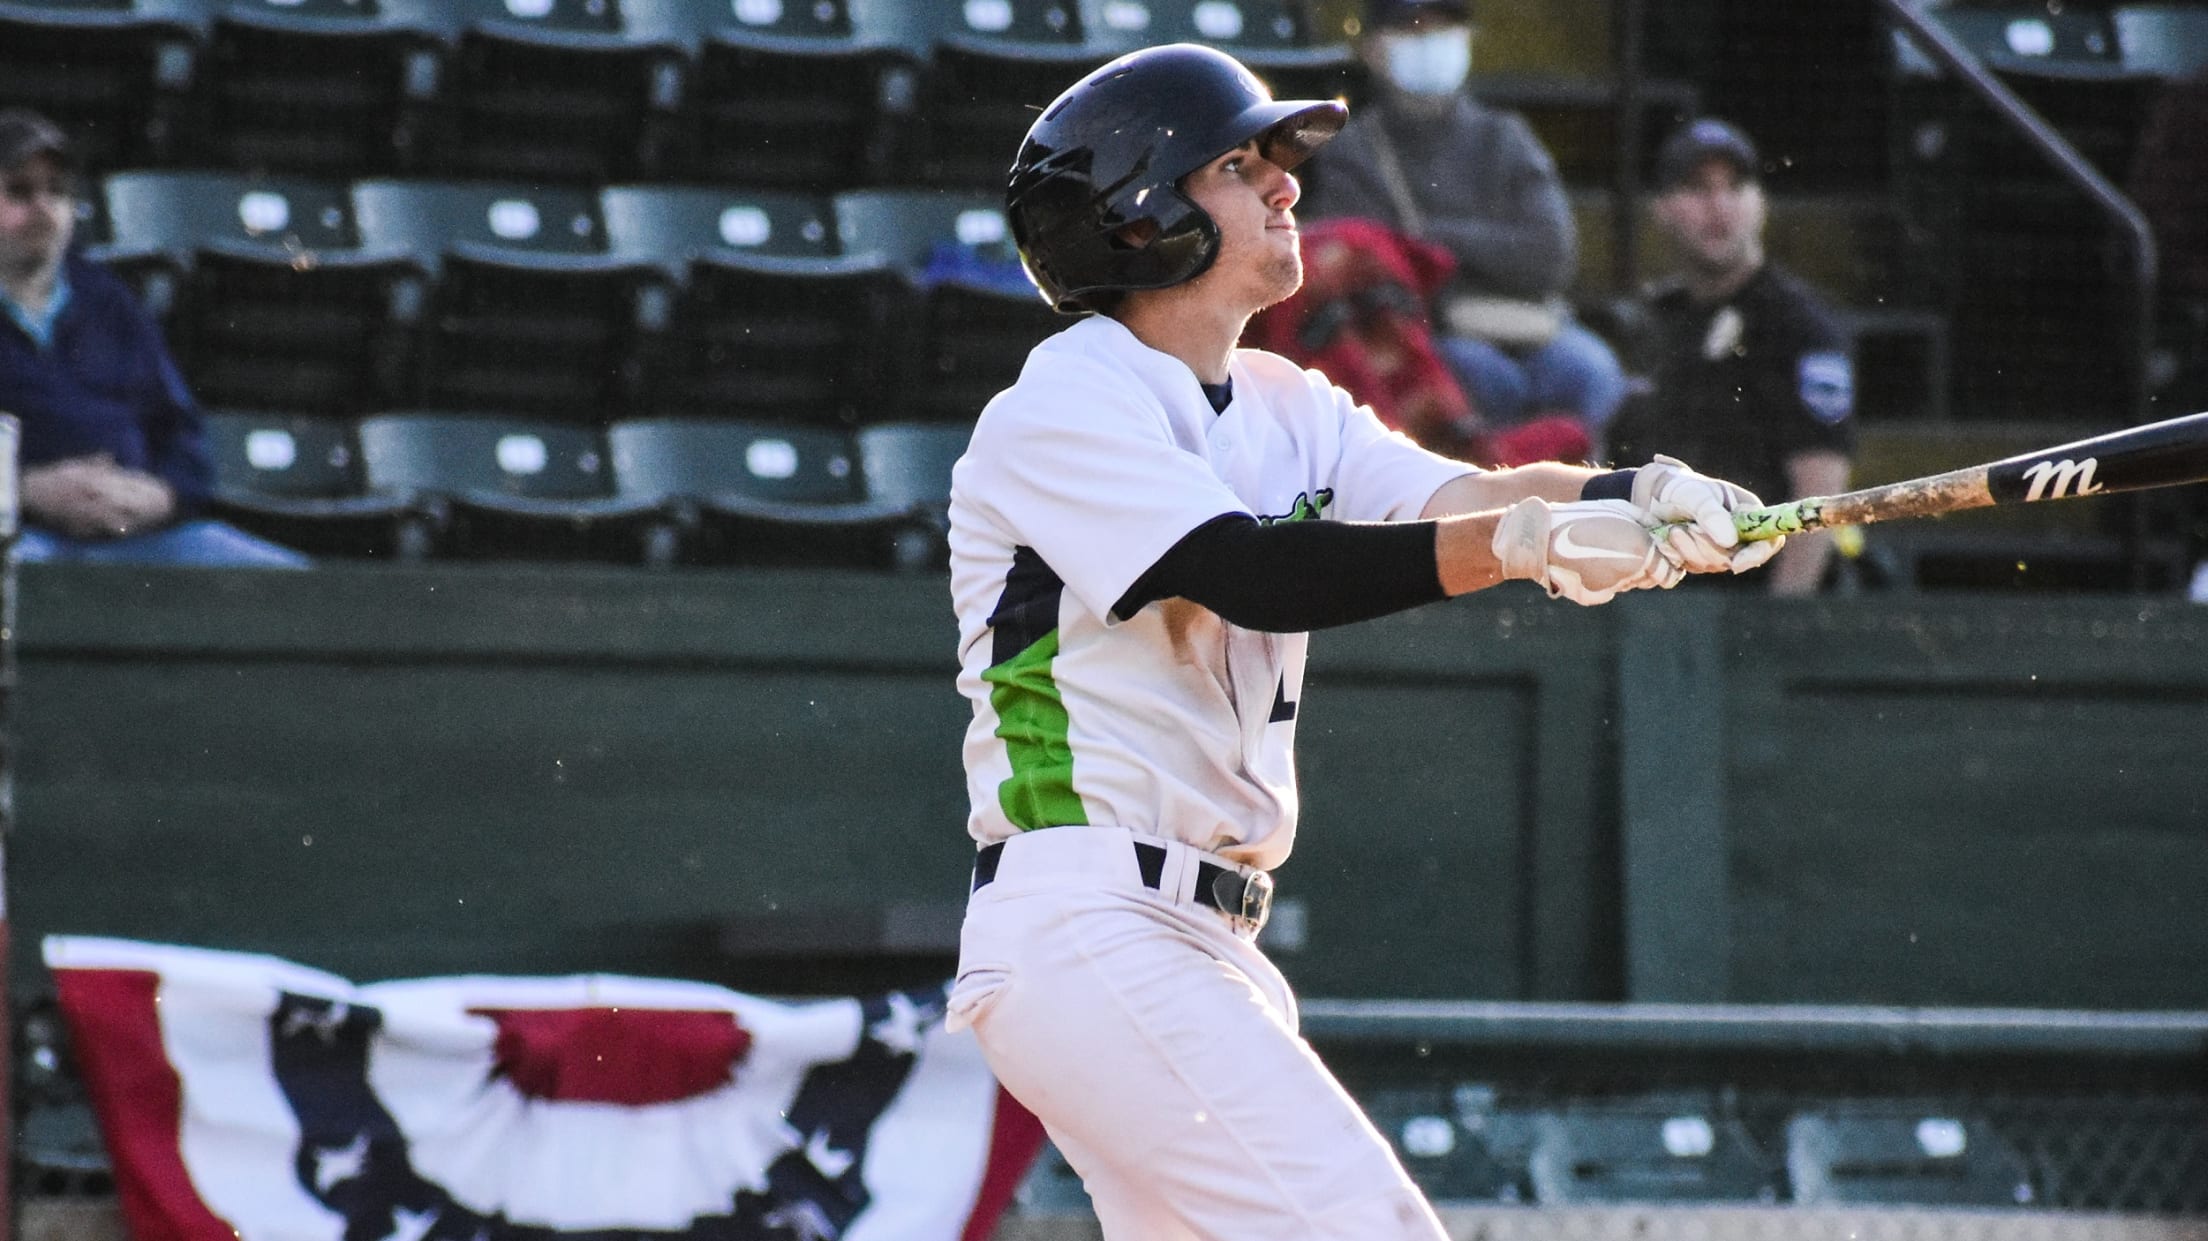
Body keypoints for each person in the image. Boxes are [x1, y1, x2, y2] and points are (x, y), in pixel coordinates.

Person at [943, 44, 1779, 1240]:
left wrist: (1638, 493)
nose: (1286, 183)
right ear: (1137, 218)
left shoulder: (1286, 400)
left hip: (1201, 938)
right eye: (1238, 167)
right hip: (1091, 921)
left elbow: (1460, 494)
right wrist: (1527, 544)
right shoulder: (1066, 400)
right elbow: (1256, 574)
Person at [1302, 0, 1627, 439]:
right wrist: (1496, 248)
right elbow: (1371, 272)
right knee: (1486, 380)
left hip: (1529, 321)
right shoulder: (1353, 152)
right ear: (1372, 49)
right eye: (1414, 30)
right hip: (1430, 333)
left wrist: (1429, 238)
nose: (1430, 45)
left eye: (1444, 31)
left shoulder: (1505, 136)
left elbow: (1552, 256)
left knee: (1592, 371)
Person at [0, 108, 307, 567]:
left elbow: (183, 437)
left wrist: (161, 497)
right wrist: (27, 490)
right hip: (24, 539)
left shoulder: (110, 302)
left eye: (57, 192)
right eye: (20, 192)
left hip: (140, 538)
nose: (43, 208)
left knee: (284, 579)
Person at [1605, 118, 1855, 596]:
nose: (1719, 207)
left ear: (1760, 203)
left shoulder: (1799, 326)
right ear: (1662, 209)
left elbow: (1820, 487)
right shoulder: (1657, 320)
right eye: (1697, 188)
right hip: (1662, 594)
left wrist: (1782, 617)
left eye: (1736, 187)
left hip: (1756, 594)